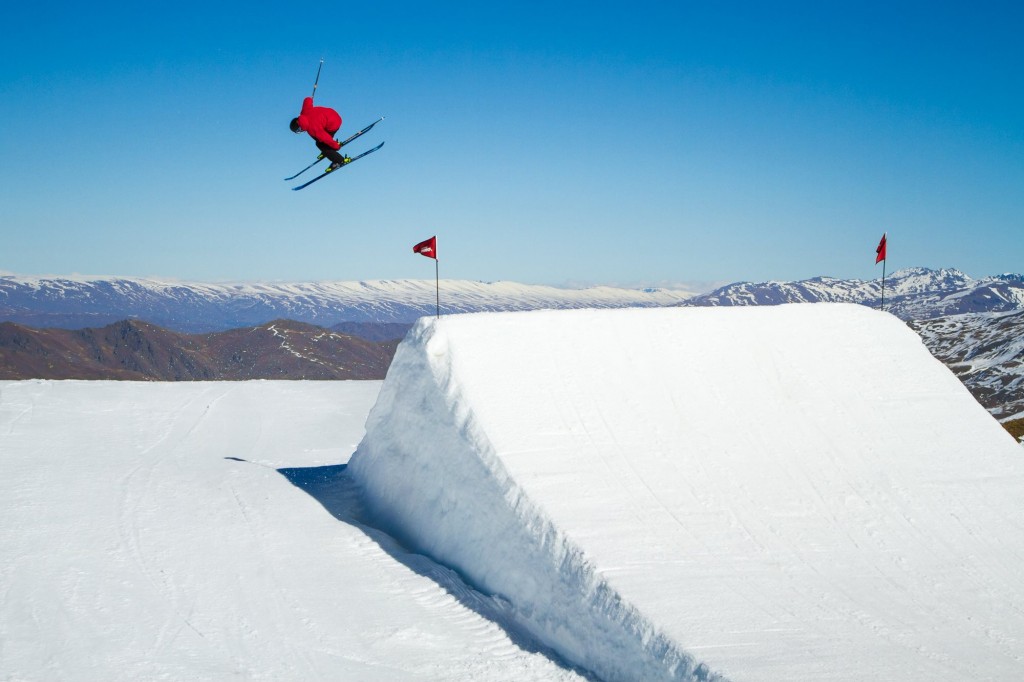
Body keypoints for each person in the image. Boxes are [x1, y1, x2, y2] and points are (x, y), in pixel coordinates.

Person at [290, 97, 351, 171]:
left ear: (299, 127)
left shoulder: (313, 129)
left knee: (320, 144)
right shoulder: (304, 112)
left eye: (299, 131)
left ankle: (339, 160)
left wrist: (336, 146)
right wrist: (309, 98)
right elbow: (307, 101)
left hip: (334, 124)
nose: (301, 132)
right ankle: (328, 149)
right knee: (319, 139)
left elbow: (326, 138)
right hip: (333, 114)